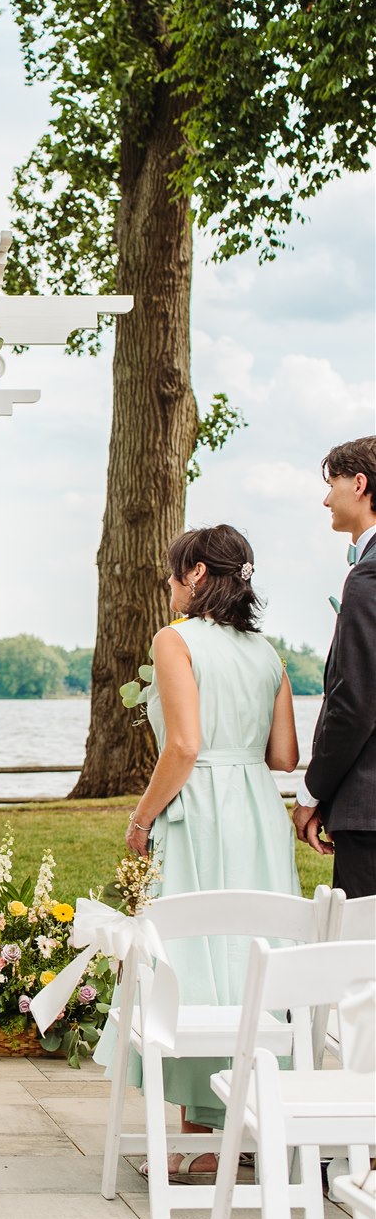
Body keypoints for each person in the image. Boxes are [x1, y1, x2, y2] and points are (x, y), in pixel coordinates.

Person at [107, 523, 300, 1178]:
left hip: (200, 814)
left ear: (194, 575)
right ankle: (248, 1127)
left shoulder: (174, 641)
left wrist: (141, 817)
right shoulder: (266, 652)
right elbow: (283, 757)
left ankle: (197, 1141)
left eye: (171, 573)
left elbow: (183, 746)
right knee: (254, 955)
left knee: (195, 959)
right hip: (255, 810)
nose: (166, 585)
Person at [294, 436, 376, 899]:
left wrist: (311, 793)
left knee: (365, 958)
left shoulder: (368, 576)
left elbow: (356, 705)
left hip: (369, 815)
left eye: (333, 484)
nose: (327, 498)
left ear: (360, 484)